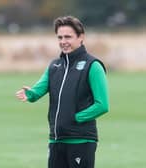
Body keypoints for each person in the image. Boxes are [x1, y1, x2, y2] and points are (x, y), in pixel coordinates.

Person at [16, 15, 109, 168]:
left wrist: (75, 118)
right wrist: (30, 94)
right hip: (56, 140)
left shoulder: (93, 66)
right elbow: (38, 91)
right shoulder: (54, 66)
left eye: (68, 37)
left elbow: (102, 105)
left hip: (81, 140)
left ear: (81, 37)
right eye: (59, 37)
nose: (63, 41)